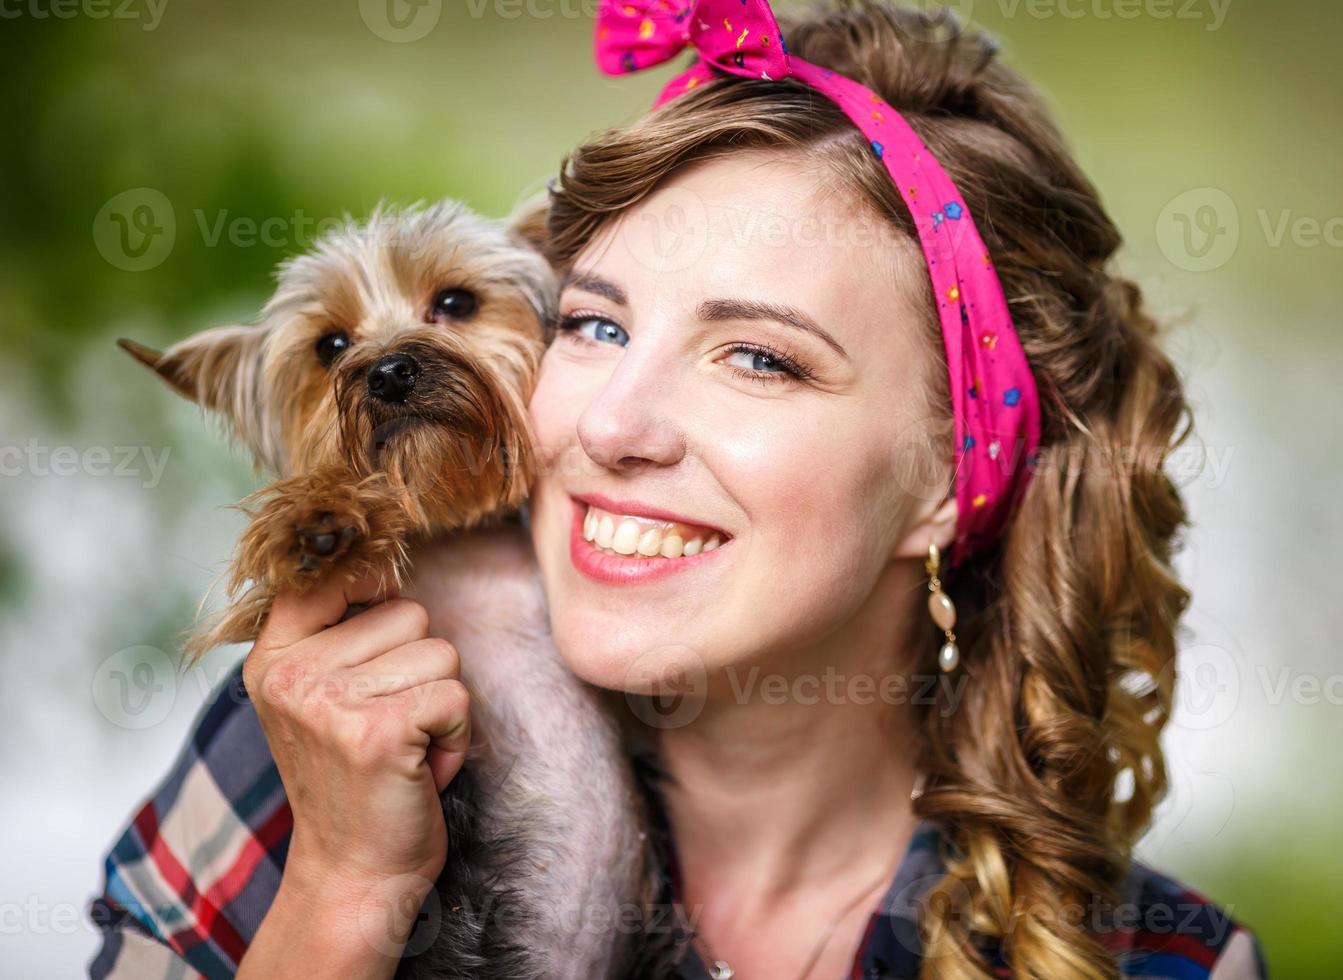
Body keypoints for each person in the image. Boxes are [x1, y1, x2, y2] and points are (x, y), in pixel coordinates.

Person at [87, 1, 1268, 977]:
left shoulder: (1158, 962)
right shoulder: (321, 743)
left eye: (761, 356)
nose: (611, 423)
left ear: (949, 480)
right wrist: (342, 897)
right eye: (595, 324)